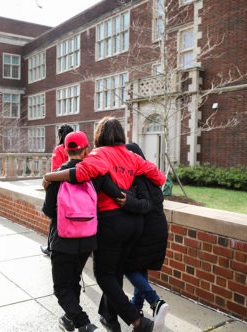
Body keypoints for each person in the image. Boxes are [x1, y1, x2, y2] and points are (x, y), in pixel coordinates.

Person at [43, 117, 166, 332]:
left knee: (104, 274)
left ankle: (137, 320)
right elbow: (160, 178)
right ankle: (110, 318)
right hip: (134, 223)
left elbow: (79, 171)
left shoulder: (99, 155)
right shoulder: (133, 156)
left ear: (99, 136)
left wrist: (49, 177)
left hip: (110, 222)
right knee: (115, 272)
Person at [43, 131, 126, 332]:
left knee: (62, 288)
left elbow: (48, 210)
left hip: (63, 240)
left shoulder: (57, 175)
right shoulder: (95, 173)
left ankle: (84, 323)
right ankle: (70, 319)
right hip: (87, 239)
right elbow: (118, 194)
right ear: (86, 150)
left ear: (65, 150)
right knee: (73, 281)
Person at [115, 143, 169, 332]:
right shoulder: (151, 174)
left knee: (126, 266)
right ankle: (136, 308)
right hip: (158, 228)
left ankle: (155, 302)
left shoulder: (136, 176)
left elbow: (145, 205)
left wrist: (127, 202)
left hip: (146, 231)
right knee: (140, 267)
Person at [42, 124, 75, 255]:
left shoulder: (59, 149)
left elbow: (55, 171)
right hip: (76, 187)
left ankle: (51, 247)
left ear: (60, 136)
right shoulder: (80, 149)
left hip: (62, 188)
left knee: (56, 219)